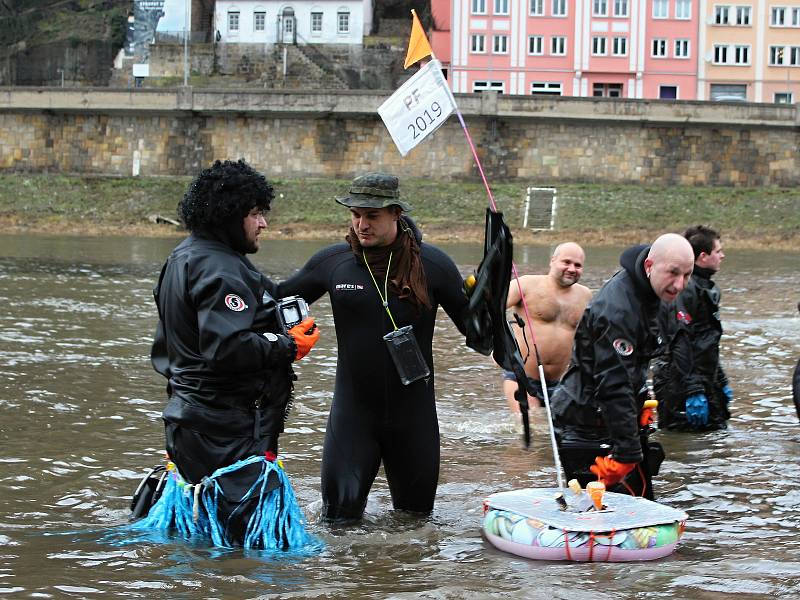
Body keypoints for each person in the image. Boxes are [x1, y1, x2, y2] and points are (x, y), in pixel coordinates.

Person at [141, 159, 321, 548]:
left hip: (188, 423)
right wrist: (290, 345)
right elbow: (226, 347)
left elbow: (167, 350)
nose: (263, 224)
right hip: (228, 432)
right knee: (252, 548)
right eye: (255, 214)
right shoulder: (220, 269)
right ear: (228, 215)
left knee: (204, 538)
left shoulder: (181, 258)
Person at [277, 172, 471, 522]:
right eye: (355, 214)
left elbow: (478, 333)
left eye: (372, 215)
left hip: (414, 419)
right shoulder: (333, 263)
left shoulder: (433, 265)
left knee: (415, 526)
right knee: (337, 526)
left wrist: (492, 295)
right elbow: (272, 304)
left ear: (396, 213)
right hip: (353, 419)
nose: (361, 224)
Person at [550, 233, 695, 500]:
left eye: (687, 275)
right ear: (650, 266)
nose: (679, 284)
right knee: (598, 516)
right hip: (584, 424)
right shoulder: (616, 308)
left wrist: (644, 401)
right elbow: (613, 384)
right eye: (673, 273)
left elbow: (653, 357)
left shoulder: (658, 293)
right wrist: (626, 453)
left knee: (642, 504)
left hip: (619, 422)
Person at [501, 243, 592, 426]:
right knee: (532, 430)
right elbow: (490, 311)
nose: (572, 269)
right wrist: (497, 347)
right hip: (522, 378)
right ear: (553, 261)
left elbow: (593, 338)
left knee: (558, 437)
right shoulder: (525, 284)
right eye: (566, 262)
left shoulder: (586, 296)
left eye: (578, 265)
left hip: (562, 384)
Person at [653, 225, 732, 431]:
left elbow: (706, 341)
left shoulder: (706, 287)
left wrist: (720, 378)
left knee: (715, 439)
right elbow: (680, 341)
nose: (722, 256)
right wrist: (693, 389)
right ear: (703, 256)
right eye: (718, 251)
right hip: (680, 383)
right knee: (683, 442)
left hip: (705, 378)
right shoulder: (683, 289)